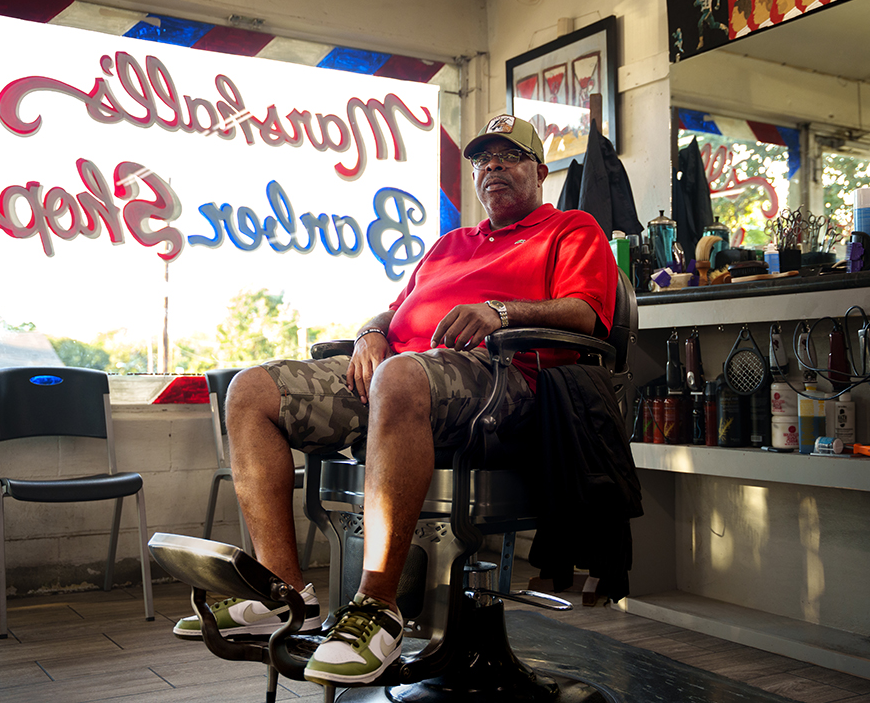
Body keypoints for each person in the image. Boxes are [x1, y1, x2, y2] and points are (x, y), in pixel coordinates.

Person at [172, 114, 618, 686]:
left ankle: (377, 606)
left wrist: (500, 311)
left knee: (399, 378)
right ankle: (282, 593)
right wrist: (369, 334)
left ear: (540, 171)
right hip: (402, 376)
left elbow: (587, 314)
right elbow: (397, 308)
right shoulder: (451, 244)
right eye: (483, 161)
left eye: (509, 156)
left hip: (504, 380)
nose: (492, 168)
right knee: (250, 390)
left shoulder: (572, 229)